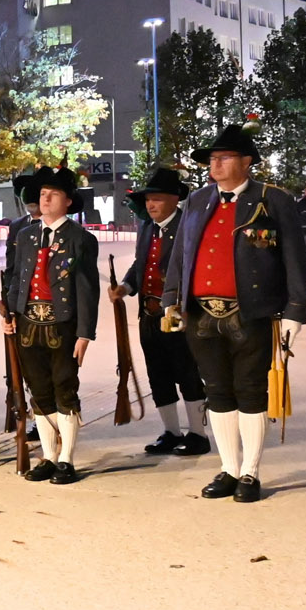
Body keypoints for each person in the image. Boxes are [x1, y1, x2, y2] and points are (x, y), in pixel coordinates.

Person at [162, 122, 306, 502]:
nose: (215, 165)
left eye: (224, 158)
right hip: (201, 314)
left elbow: (296, 258)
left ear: (246, 162)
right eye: (212, 159)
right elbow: (181, 256)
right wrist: (171, 300)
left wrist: (295, 311)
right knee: (218, 391)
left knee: (250, 391)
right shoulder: (196, 200)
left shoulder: (272, 200)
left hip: (251, 313)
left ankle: (250, 473)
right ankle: (228, 468)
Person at [1, 161, 100, 484]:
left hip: (63, 324)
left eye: (53, 194)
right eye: (42, 194)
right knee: (39, 392)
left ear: (68, 200)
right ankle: (48, 454)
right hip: (28, 323)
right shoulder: (26, 235)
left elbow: (87, 290)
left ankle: (67, 458)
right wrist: (10, 314)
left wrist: (85, 333)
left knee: (64, 390)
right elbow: (17, 278)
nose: (45, 199)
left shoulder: (80, 239)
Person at [112, 165, 208, 455]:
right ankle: (170, 431)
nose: (150, 205)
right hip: (149, 315)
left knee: (187, 373)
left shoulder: (187, 228)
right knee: (158, 374)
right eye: (148, 200)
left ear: (173, 199)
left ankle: (198, 435)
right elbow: (139, 265)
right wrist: (125, 288)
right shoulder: (146, 228)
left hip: (179, 313)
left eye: (156, 199)